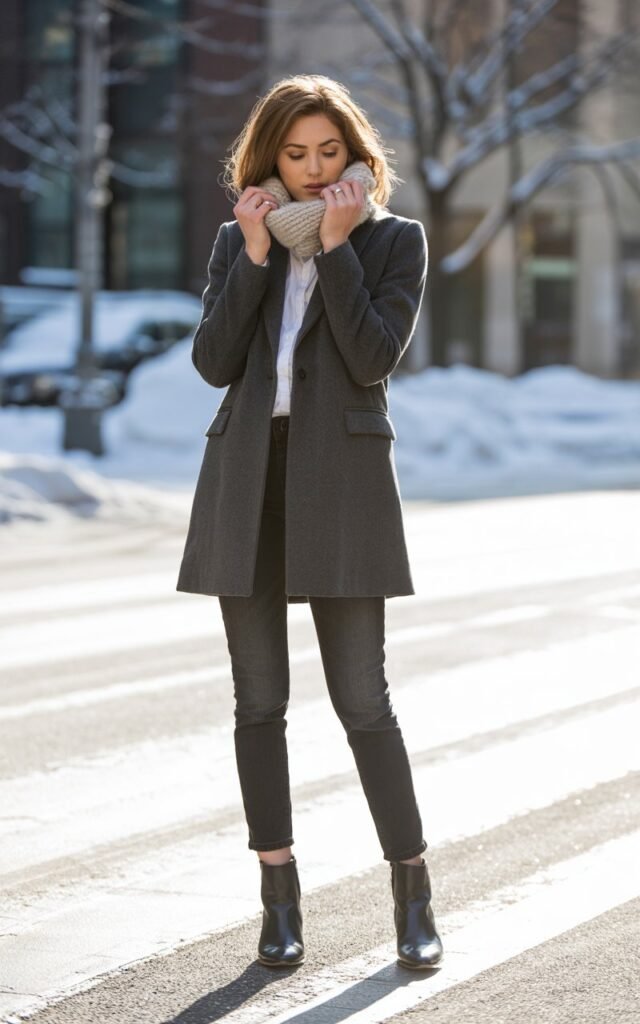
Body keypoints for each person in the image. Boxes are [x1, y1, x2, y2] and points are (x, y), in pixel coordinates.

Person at [176, 73, 443, 971]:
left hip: (346, 482)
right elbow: (215, 362)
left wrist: (334, 248)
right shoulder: (235, 239)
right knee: (259, 701)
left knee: (363, 701)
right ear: (269, 159)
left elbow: (372, 357)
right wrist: (255, 255)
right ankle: (278, 899)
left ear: (357, 154)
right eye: (297, 154)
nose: (315, 168)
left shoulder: (393, 239)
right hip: (247, 477)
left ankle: (411, 892)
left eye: (331, 152)